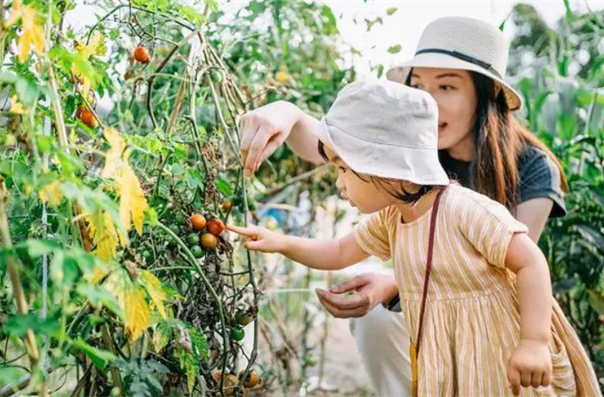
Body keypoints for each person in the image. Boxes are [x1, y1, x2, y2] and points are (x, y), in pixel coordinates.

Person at [238, 17, 572, 395]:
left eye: (446, 85)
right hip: (436, 311)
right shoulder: (405, 158)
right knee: (382, 326)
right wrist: (286, 112)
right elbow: (333, 151)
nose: (429, 99)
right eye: (418, 85)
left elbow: (515, 268)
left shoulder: (523, 171)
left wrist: (396, 284)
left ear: (488, 92)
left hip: (497, 321)